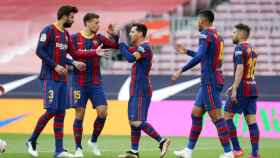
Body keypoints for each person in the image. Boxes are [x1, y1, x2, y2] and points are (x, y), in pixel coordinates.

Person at [26, 5, 108, 158]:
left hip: (63, 78)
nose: (73, 20)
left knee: (61, 114)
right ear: (64, 16)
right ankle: (31, 140)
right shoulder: (48, 30)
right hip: (50, 77)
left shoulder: (66, 35)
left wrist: (78, 61)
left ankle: (58, 150)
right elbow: (39, 50)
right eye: (71, 17)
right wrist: (55, 65)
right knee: (51, 110)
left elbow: (74, 53)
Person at [172, 10, 233, 158]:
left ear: (203, 21)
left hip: (210, 81)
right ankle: (188, 151)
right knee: (196, 113)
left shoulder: (205, 35)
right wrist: (187, 51)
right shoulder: (218, 36)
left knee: (216, 117)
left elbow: (200, 56)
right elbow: (206, 57)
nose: (196, 23)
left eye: (198, 20)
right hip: (214, 78)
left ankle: (229, 152)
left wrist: (182, 69)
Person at [117, 23, 170, 158]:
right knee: (133, 122)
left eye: (133, 31)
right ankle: (134, 152)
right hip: (135, 88)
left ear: (140, 33)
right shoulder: (138, 48)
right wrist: (116, 39)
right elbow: (128, 51)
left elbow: (129, 58)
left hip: (141, 89)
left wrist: (121, 43)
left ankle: (162, 141)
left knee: (137, 122)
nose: (130, 34)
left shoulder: (144, 47)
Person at [69, 12, 118, 157]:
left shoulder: (100, 38)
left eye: (98, 22)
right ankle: (78, 148)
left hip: (96, 82)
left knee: (103, 111)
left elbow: (115, 45)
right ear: (87, 23)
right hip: (78, 82)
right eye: (96, 22)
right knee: (79, 114)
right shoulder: (74, 38)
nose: (98, 25)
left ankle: (93, 140)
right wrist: (93, 53)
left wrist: (114, 35)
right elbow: (72, 54)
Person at [224, 23, 260, 158]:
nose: (232, 35)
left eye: (233, 33)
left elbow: (240, 68)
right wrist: (233, 84)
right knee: (251, 121)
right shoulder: (252, 49)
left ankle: (237, 150)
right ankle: (255, 154)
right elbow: (247, 70)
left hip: (242, 89)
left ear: (240, 35)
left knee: (226, 116)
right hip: (253, 87)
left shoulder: (239, 48)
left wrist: (235, 89)